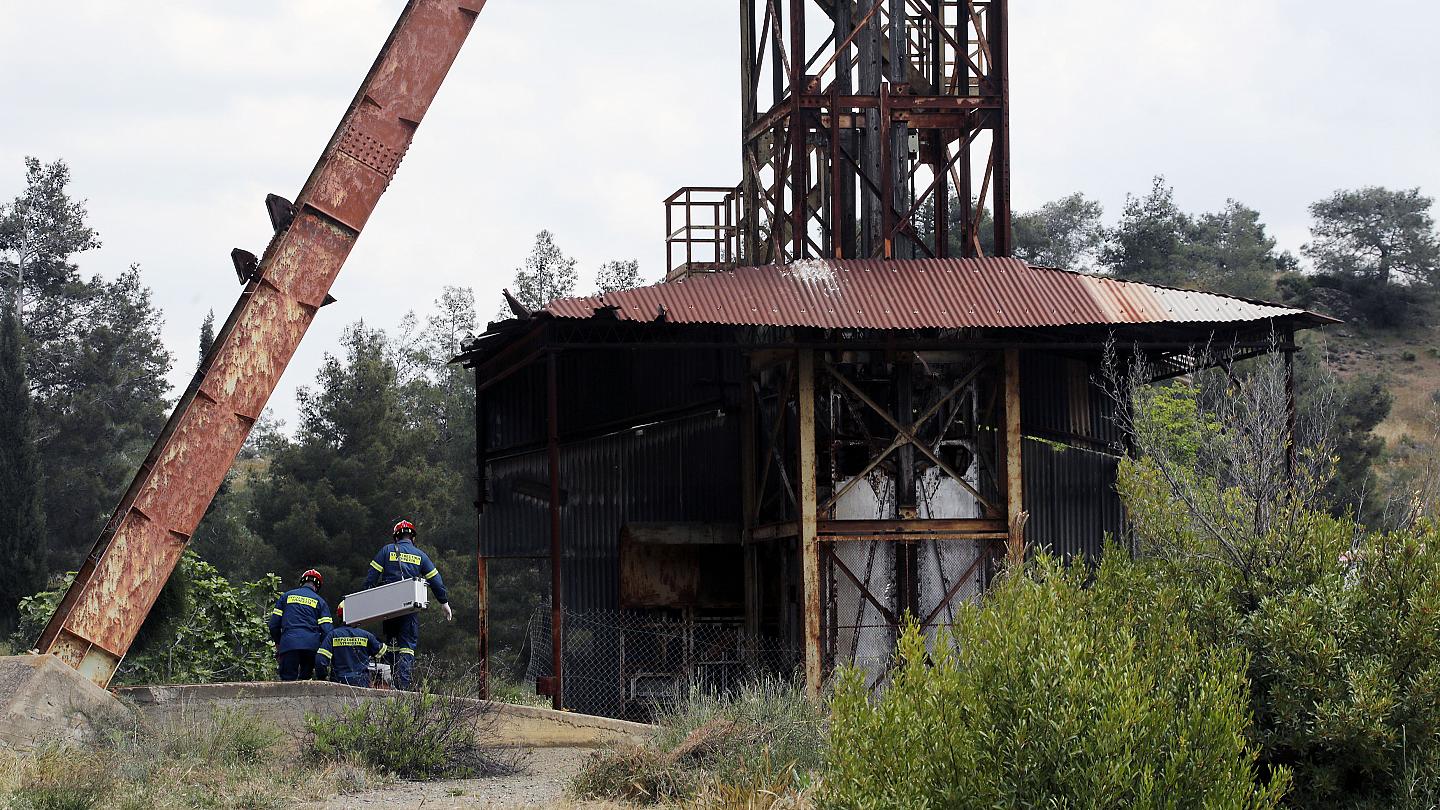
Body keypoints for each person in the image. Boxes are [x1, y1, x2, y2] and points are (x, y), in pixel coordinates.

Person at [364, 519, 452, 689]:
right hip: (409, 609)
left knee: (392, 646)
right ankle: (402, 687)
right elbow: (435, 580)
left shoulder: (386, 550)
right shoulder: (420, 555)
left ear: (396, 537)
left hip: (388, 609)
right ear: (413, 538)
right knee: (407, 648)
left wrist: (367, 603)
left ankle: (394, 683)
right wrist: (444, 602)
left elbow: (371, 578)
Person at [267, 568, 333, 681]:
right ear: (317, 586)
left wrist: (278, 643)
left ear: (302, 582)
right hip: (311, 646)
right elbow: (327, 631)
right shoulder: (320, 602)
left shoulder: (286, 597)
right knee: (305, 682)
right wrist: (319, 646)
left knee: (287, 682)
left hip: (289, 644)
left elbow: (273, 625)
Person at [315, 601, 388, 687]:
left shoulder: (333, 635)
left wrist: (323, 678)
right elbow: (381, 651)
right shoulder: (366, 635)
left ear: (339, 615)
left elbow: (320, 660)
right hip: (361, 682)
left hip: (338, 682)